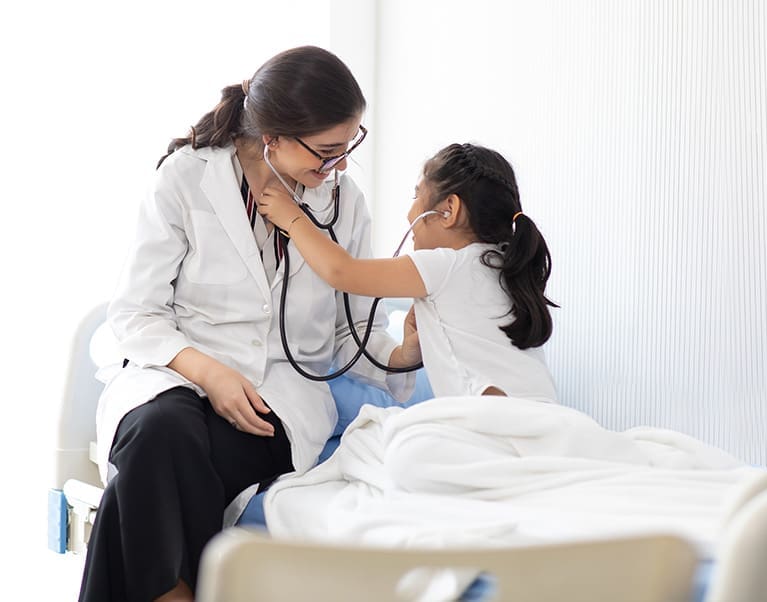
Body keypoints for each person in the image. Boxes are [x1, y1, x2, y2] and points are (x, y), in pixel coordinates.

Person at [79, 46, 417, 602]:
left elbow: (349, 333)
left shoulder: (345, 203)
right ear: (273, 137)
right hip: (175, 371)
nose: (340, 165)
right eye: (328, 151)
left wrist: (404, 352)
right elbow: (136, 314)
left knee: (148, 475)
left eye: (349, 145)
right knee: (161, 431)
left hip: (279, 399)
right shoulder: (186, 179)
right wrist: (209, 374)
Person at [257, 142, 559, 403]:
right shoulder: (504, 266)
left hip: (491, 429)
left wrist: (292, 218)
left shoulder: (444, 265)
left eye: (417, 194)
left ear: (448, 211)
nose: (409, 212)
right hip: (547, 417)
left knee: (374, 439)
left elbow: (341, 271)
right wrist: (406, 351)